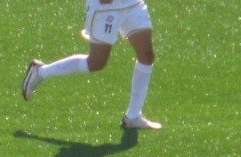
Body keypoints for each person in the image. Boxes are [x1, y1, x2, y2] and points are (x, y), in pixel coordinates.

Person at [21, 0, 162, 131]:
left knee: (147, 56)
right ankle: (40, 71)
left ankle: (133, 116)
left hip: (133, 4)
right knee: (96, 62)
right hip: (106, 7)